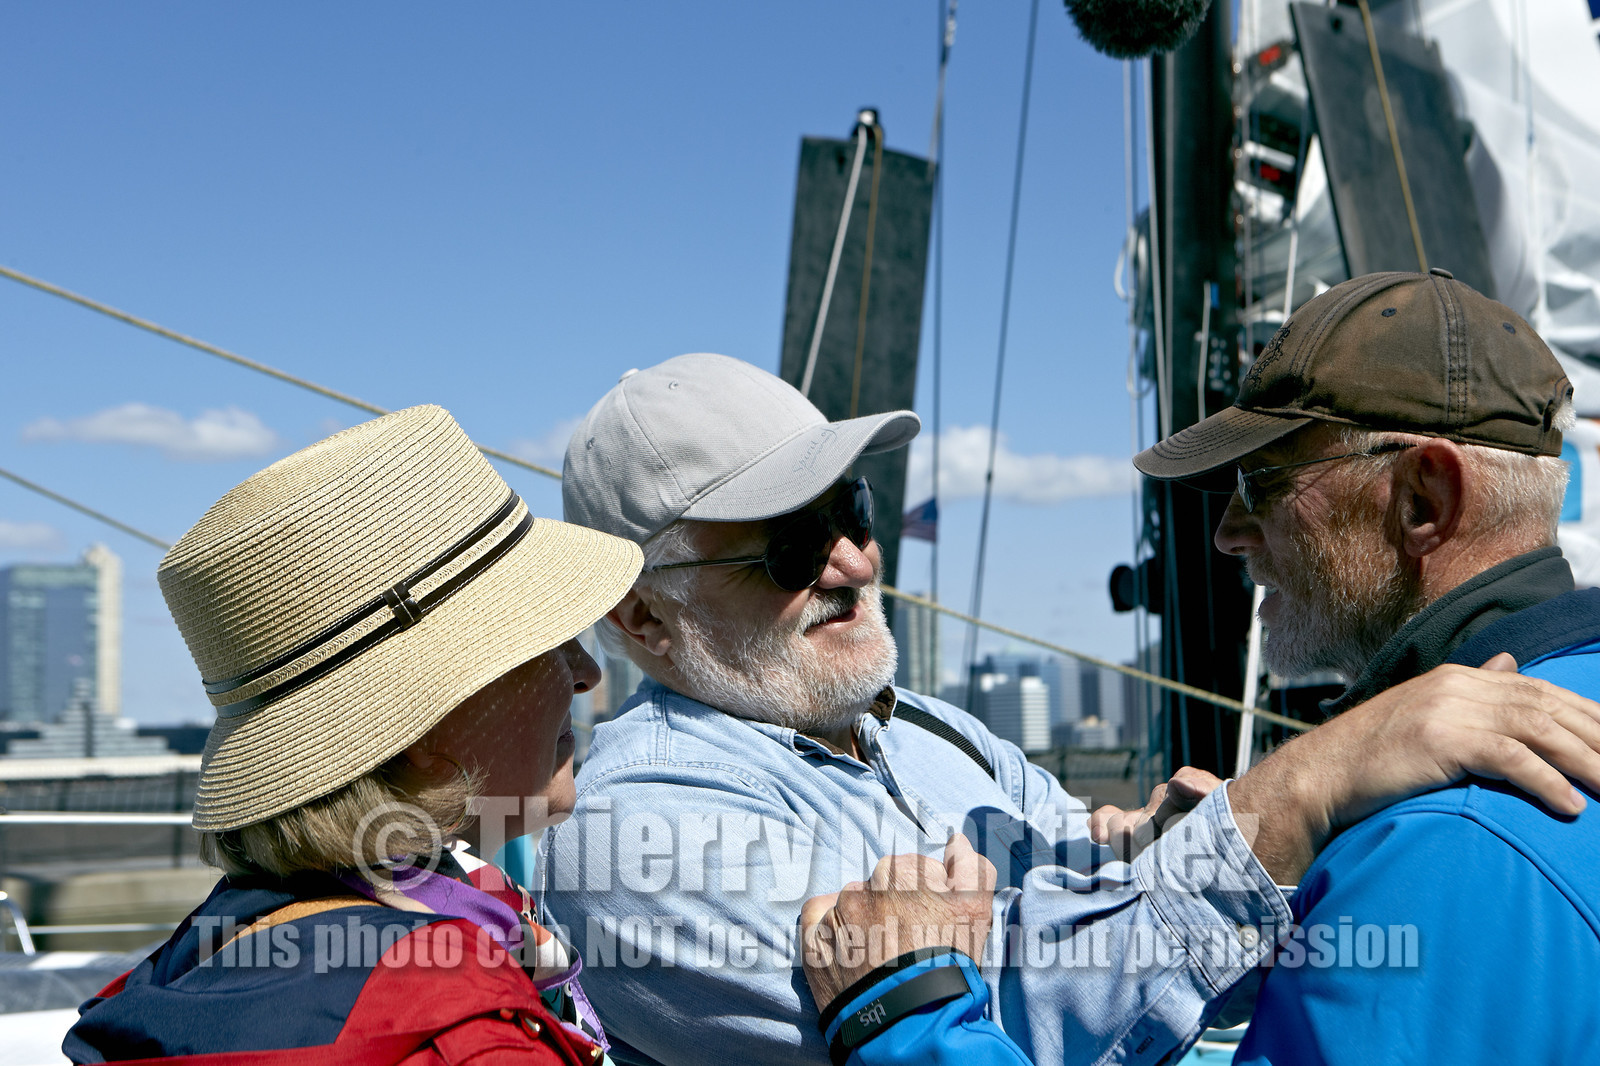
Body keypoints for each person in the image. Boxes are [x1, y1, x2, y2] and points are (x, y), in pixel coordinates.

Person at [545, 351, 1600, 1066]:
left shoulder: (930, 736)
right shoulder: (632, 836)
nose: (855, 561)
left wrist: (1156, 847)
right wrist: (1302, 789)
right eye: (788, 543)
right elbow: (985, 1020)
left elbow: (1107, 919)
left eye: (850, 509)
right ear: (640, 616)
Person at [800, 268, 1600, 1064]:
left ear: (1424, 500)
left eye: (1263, 482)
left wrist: (907, 1020)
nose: (1228, 533)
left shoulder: (1435, 848)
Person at [64, 405, 643, 1064]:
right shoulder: (466, 1039)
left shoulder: (209, 953)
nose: (586, 672)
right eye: (547, 643)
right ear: (425, 720)